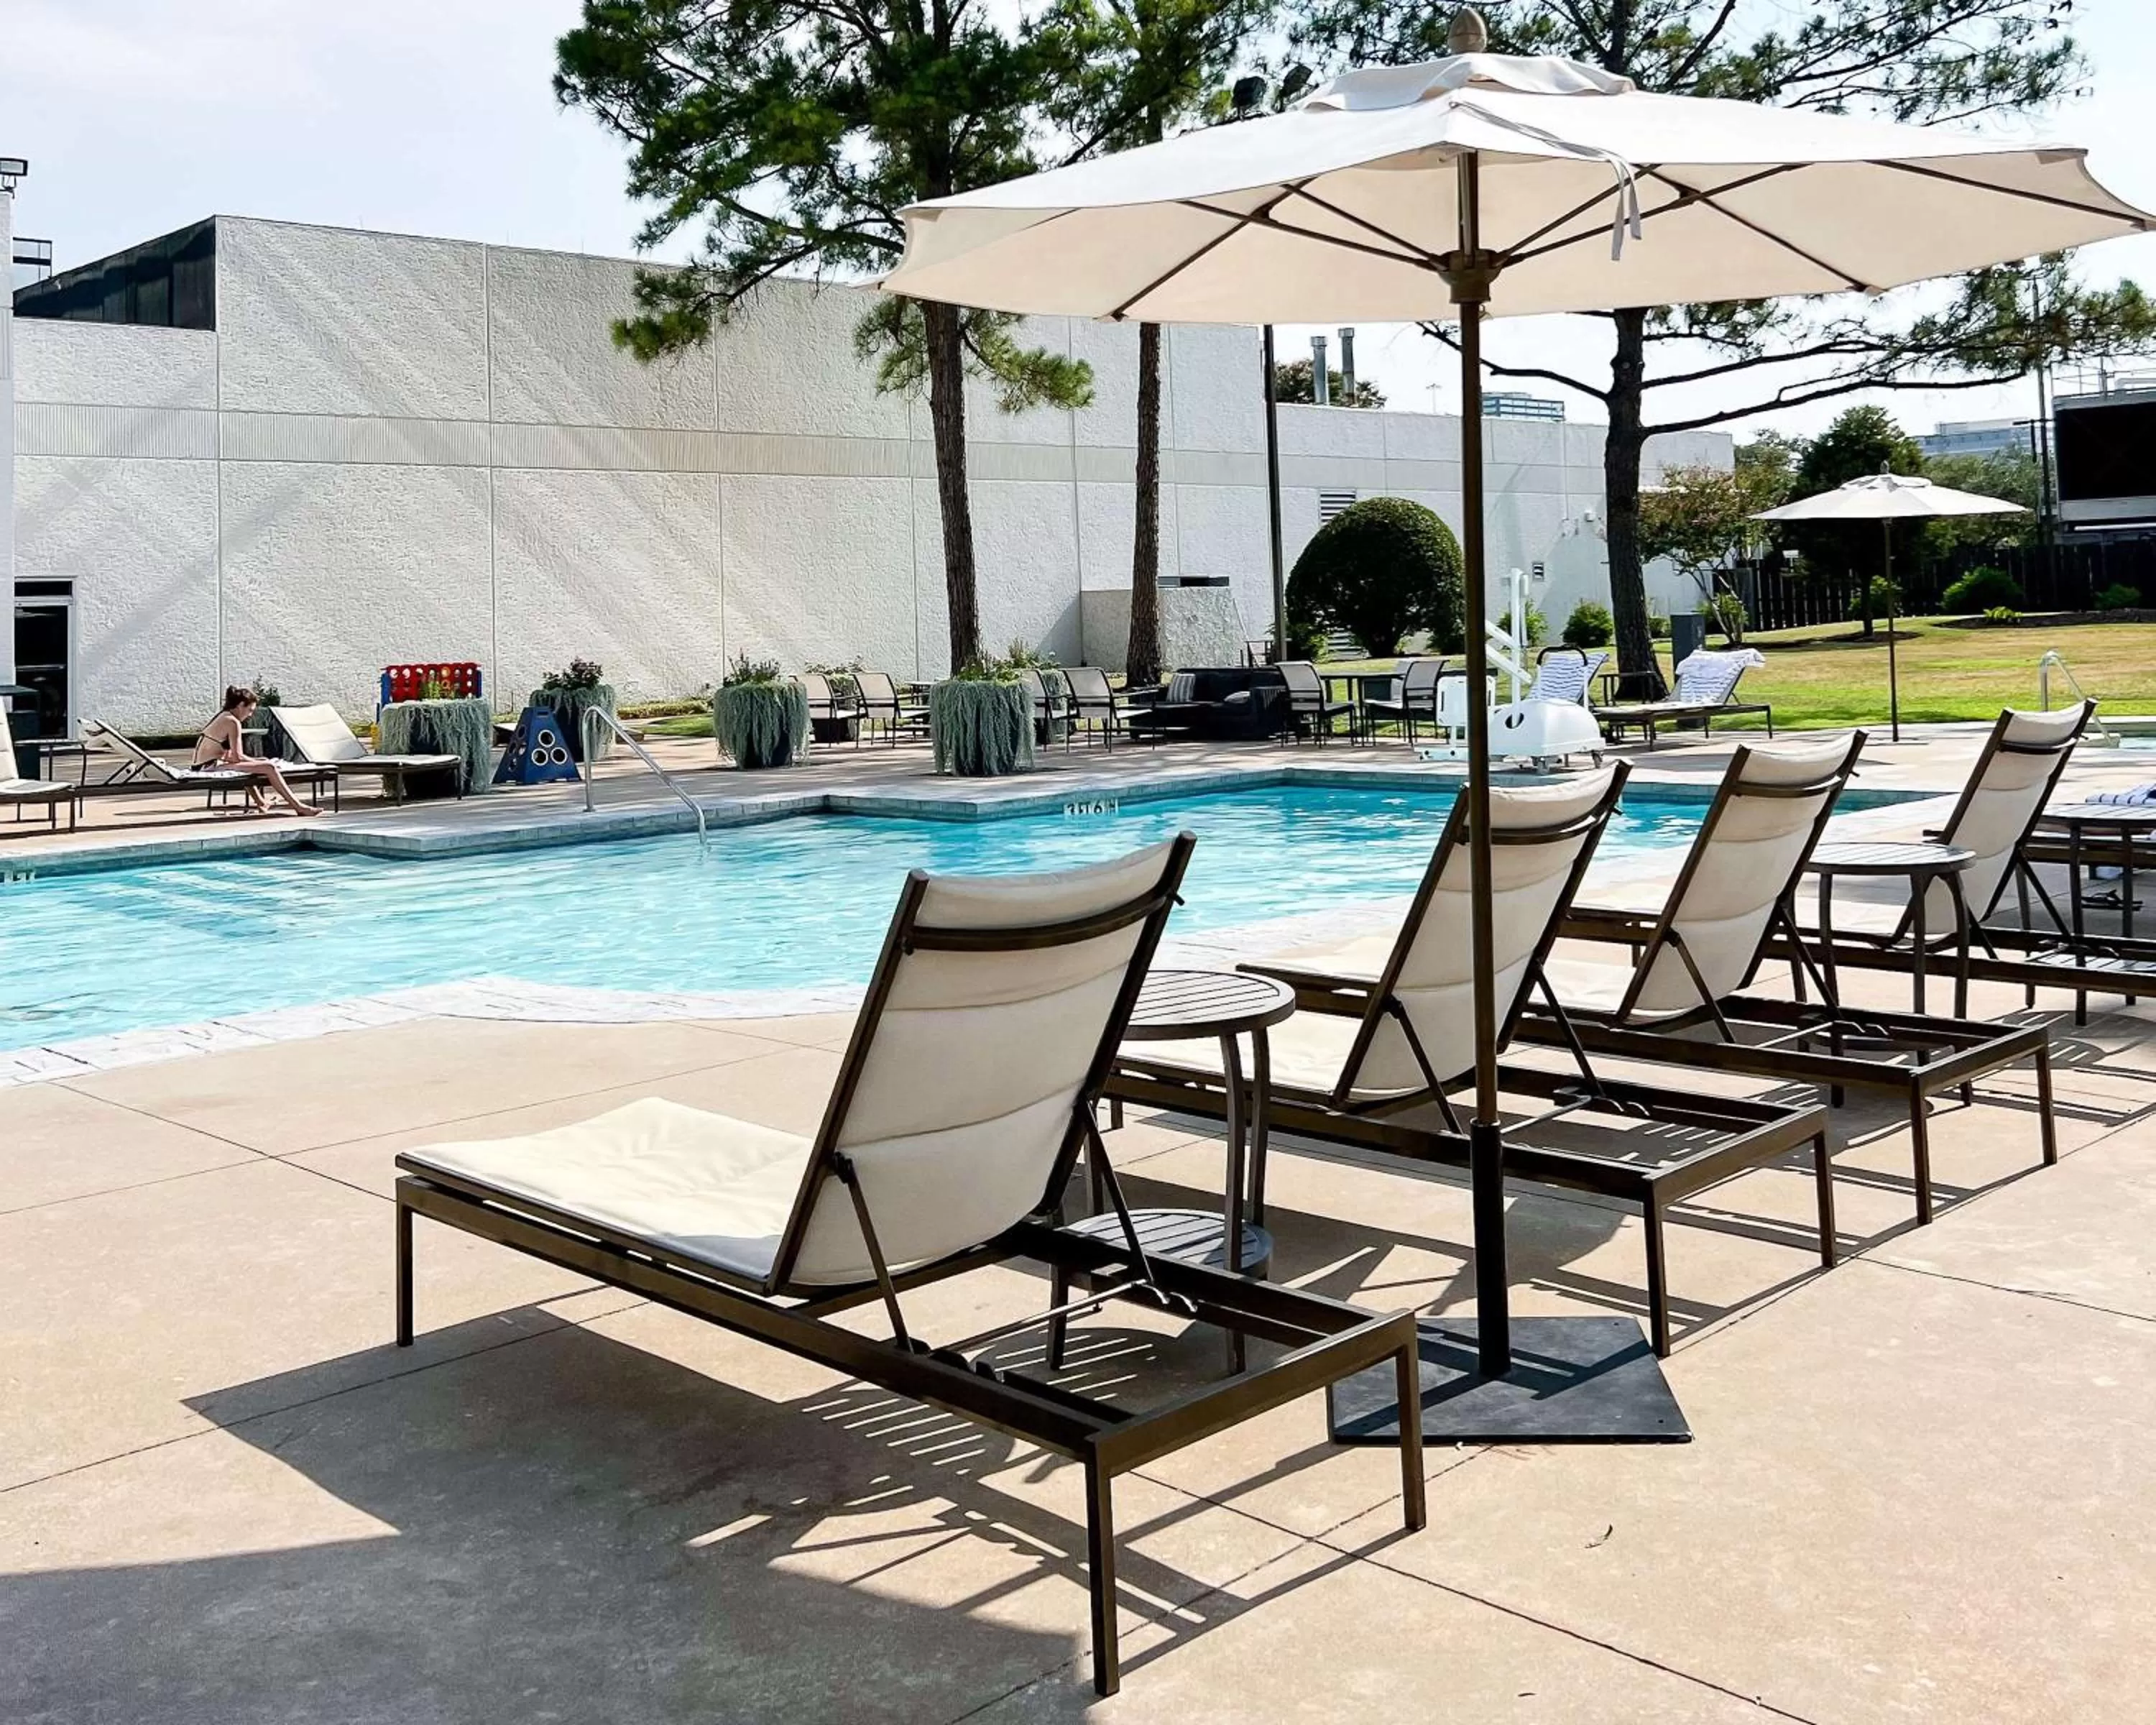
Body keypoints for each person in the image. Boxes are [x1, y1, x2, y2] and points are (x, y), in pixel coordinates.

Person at [194, 686, 323, 817]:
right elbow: (238, 757)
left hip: (206, 764)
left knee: (257, 764)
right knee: (269, 767)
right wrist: (261, 762)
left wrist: (257, 761)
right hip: (208, 767)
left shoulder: (224, 716)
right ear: (240, 705)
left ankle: (261, 802)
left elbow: (229, 755)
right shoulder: (233, 722)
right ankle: (299, 807)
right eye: (250, 710)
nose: (250, 715)